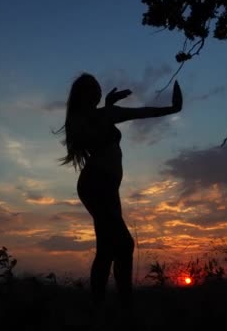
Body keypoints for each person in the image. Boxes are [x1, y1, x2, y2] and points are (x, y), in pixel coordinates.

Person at [54, 73, 182, 307]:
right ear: (81, 95)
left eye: (98, 88)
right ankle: (122, 305)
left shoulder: (103, 114)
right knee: (123, 244)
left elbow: (140, 112)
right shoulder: (79, 120)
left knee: (107, 248)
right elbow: (90, 133)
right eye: (92, 89)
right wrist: (108, 110)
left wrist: (171, 108)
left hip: (108, 187)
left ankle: (104, 309)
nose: (97, 92)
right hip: (96, 184)